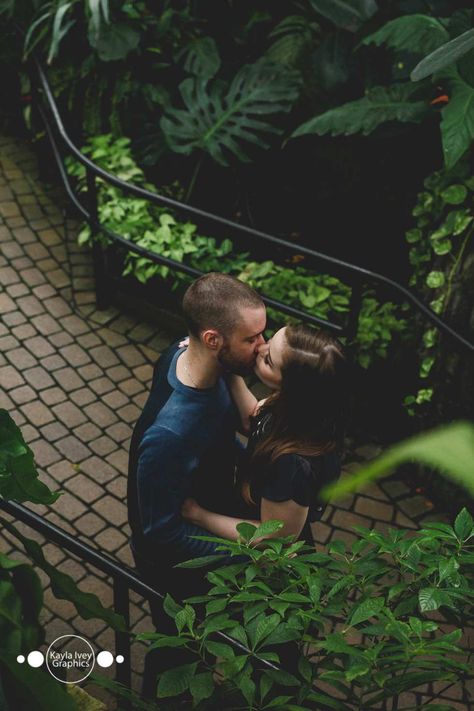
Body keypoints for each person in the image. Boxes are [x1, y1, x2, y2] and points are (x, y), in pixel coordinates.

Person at [127, 272, 266, 694]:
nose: (263, 345)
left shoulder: (185, 355)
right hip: (175, 569)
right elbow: (160, 532)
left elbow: (222, 437)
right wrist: (244, 555)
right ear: (212, 340)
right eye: (252, 338)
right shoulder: (170, 434)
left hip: (211, 511)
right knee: (180, 655)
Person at [181, 324, 347, 546]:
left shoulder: (294, 466)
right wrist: (228, 367)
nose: (260, 349)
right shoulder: (301, 409)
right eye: (270, 340)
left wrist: (198, 515)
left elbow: (273, 539)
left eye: (269, 360)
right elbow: (256, 419)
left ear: (293, 388)